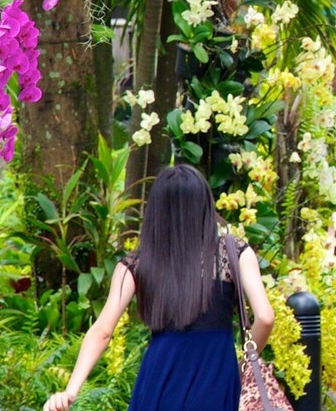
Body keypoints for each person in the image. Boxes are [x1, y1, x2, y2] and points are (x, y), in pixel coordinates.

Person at [45, 165, 276, 411]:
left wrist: (70, 391)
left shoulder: (136, 264)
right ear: (205, 206)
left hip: (159, 381)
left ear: (157, 211)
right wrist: (241, 365)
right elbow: (265, 317)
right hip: (216, 379)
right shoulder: (234, 253)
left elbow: (102, 331)